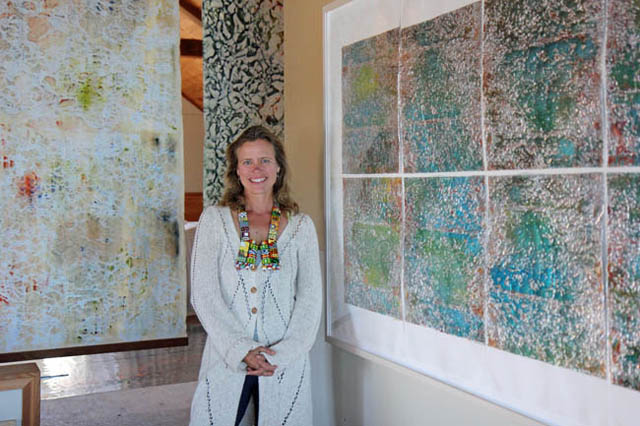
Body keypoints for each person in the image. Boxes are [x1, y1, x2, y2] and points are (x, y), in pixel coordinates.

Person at [189, 125, 322, 426]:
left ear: (278, 167)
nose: (256, 169)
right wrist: (241, 349)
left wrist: (280, 355)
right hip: (227, 357)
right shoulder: (214, 221)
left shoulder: (301, 227)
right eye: (247, 161)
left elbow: (310, 301)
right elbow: (204, 295)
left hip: (283, 362)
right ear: (237, 171)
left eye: (264, 160)